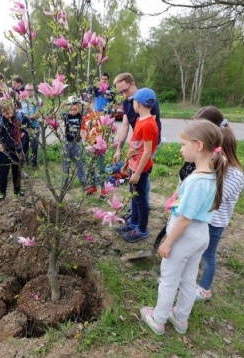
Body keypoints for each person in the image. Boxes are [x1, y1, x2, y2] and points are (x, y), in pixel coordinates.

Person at [140, 119, 225, 335]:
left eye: (184, 144)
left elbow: (185, 219)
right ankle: (180, 319)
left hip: (184, 236)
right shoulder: (212, 175)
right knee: (188, 279)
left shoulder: (196, 180)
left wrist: (168, 243)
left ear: (198, 146)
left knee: (169, 279)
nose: (181, 148)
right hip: (201, 235)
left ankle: (158, 319)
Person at [196, 126, 244, 300]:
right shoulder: (215, 167)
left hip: (215, 223)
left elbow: (217, 197)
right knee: (198, 250)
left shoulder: (235, 174)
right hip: (204, 218)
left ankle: (205, 289)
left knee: (208, 255)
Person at [115, 88, 159, 242]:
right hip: (134, 166)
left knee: (140, 200)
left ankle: (141, 229)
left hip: (141, 168)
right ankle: (133, 222)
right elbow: (135, 146)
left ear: (138, 103)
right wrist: (127, 164)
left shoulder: (148, 124)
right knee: (134, 197)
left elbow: (147, 152)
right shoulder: (140, 120)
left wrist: (138, 173)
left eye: (133, 100)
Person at [0, 100, 28, 200]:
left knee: (17, 170)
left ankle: (17, 190)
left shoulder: (20, 117)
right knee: (3, 171)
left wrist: (23, 132)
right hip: (3, 150)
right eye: (4, 113)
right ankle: (2, 192)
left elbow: (27, 126)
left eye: (9, 113)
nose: (7, 115)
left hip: (17, 149)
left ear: (13, 110)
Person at [80, 95, 106, 200]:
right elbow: (82, 132)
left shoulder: (100, 115)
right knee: (90, 167)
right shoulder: (84, 117)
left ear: (93, 102)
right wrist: (87, 145)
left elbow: (104, 131)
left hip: (99, 147)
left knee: (101, 169)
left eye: (88, 102)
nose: (86, 105)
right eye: (84, 102)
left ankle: (103, 189)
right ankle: (93, 186)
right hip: (89, 147)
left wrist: (100, 146)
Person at [61, 97, 85, 187]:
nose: (72, 112)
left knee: (80, 162)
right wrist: (61, 105)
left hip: (77, 141)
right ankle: (65, 182)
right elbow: (54, 115)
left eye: (75, 109)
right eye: (70, 110)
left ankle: (82, 179)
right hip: (67, 141)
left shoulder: (81, 116)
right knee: (65, 162)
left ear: (78, 107)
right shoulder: (66, 115)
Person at [20, 83, 42, 168]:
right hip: (24, 126)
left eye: (30, 90)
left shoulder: (37, 100)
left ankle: (34, 163)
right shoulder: (22, 99)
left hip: (34, 126)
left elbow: (39, 114)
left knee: (34, 145)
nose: (29, 92)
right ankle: (25, 160)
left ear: (34, 90)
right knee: (24, 144)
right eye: (27, 90)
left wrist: (28, 118)